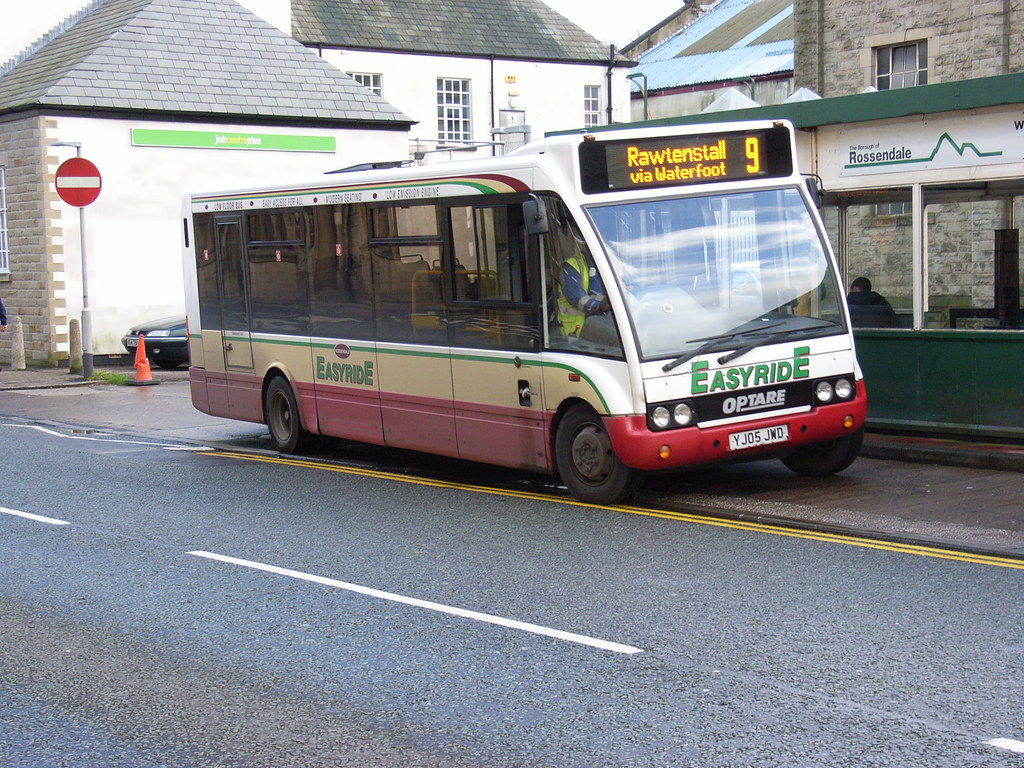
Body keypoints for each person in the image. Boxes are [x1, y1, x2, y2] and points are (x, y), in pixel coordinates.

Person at [557, 248, 609, 336]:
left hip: (597, 328)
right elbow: (577, 299)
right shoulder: (571, 265)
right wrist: (602, 305)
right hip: (573, 332)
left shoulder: (605, 265)